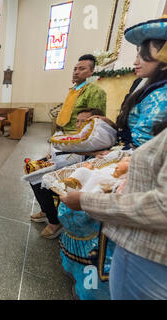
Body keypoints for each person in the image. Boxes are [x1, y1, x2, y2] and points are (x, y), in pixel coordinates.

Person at [57, 17, 167, 299]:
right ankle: (82, 272)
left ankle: (94, 284)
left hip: (139, 176)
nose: (137, 61)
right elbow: (128, 130)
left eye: (144, 53)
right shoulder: (144, 86)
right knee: (66, 175)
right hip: (125, 155)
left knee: (76, 196)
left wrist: (120, 157)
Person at [30, 108, 106, 239]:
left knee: (40, 182)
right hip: (66, 165)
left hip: (80, 178)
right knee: (33, 170)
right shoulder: (82, 136)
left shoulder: (100, 140)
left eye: (84, 122)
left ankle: (54, 222)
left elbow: (88, 159)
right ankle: (46, 209)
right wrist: (53, 155)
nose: (78, 125)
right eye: (77, 121)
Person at [56, 54, 107, 133]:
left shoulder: (95, 91)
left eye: (81, 69)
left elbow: (95, 122)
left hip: (78, 135)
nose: (76, 72)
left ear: (92, 71)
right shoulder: (73, 89)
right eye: (75, 69)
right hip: (63, 131)